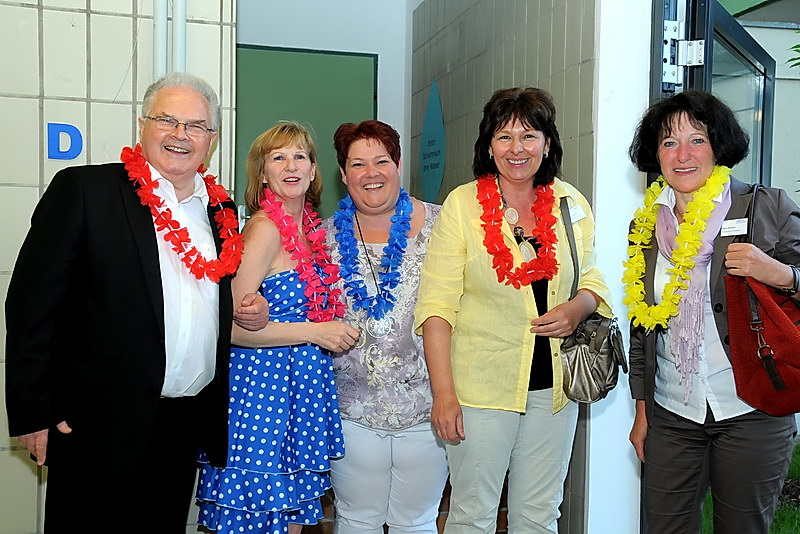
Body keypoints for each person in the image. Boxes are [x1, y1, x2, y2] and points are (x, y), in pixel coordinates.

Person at [4, 72, 269, 533]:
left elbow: (208, 300)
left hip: (182, 424)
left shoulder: (219, 211)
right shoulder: (86, 191)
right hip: (93, 425)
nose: (180, 134)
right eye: (167, 120)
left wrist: (253, 310)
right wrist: (34, 409)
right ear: (142, 125)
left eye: (195, 125)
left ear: (212, 140)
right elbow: (32, 305)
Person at [414, 87, 613, 533]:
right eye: (504, 136)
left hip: (555, 391)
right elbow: (436, 307)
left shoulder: (570, 203)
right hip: (480, 391)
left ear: (547, 143)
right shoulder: (463, 205)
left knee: (539, 515)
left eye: (528, 136)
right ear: (489, 146)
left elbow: (592, 277)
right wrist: (444, 395)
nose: (516, 148)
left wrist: (577, 308)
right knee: (473, 515)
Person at [625, 90, 800, 534]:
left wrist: (779, 273)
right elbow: (642, 325)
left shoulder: (766, 207)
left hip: (751, 408)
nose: (682, 155)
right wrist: (643, 410)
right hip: (671, 412)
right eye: (669, 142)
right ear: (656, 155)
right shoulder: (646, 225)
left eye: (697, 140)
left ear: (718, 146)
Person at [196, 121, 357, 534]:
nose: (291, 166)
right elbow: (230, 330)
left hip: (300, 391)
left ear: (313, 169)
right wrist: (315, 333)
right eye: (278, 157)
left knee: (289, 521)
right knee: (255, 519)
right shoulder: (265, 229)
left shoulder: (311, 231)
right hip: (261, 394)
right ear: (263, 173)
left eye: (300, 156)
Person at [322, 120, 448, 534]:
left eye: (381, 161)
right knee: (356, 520)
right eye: (357, 164)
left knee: (418, 521)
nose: (370, 173)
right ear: (344, 175)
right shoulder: (322, 238)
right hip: (351, 412)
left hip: (429, 410)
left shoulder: (444, 225)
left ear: (398, 165)